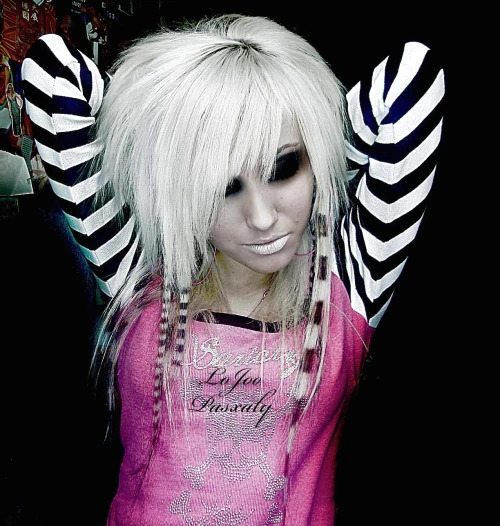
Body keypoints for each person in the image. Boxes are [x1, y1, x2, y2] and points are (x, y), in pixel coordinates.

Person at [21, 14, 445, 525]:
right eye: (222, 186)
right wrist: (161, 126)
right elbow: (52, 74)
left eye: (283, 167)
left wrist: (316, 130)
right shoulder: (136, 271)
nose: (262, 217)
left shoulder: (349, 282)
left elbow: (412, 81)